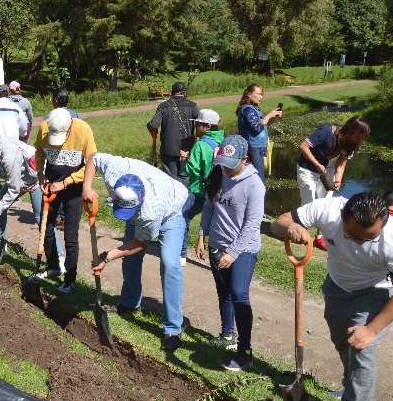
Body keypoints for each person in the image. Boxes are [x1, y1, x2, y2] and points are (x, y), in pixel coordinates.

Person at [271, 192, 393, 401]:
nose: (359, 243)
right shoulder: (327, 209)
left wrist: (371, 330)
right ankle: (352, 385)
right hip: (337, 287)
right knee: (341, 341)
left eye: (368, 238)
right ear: (342, 217)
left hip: (376, 290)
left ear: (383, 224)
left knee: (360, 346)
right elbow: (277, 222)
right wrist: (291, 226)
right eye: (352, 235)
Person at [83, 151, 189, 350]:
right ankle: (130, 303)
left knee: (169, 264)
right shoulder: (115, 170)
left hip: (174, 208)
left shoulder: (150, 211)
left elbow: (139, 244)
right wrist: (86, 187)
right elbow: (93, 158)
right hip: (144, 205)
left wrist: (106, 258)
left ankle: (173, 329)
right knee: (130, 259)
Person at [195, 135, 265, 369]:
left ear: (244, 159)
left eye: (230, 162)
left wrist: (233, 252)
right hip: (217, 244)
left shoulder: (254, 185)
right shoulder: (218, 173)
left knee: (239, 294)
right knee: (224, 293)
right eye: (222, 161)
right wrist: (201, 236)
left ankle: (245, 353)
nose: (225, 167)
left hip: (243, 248)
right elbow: (208, 206)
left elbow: (252, 224)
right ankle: (227, 335)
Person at [34, 108, 97, 293]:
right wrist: (40, 172)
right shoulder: (45, 127)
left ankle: (70, 278)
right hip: (51, 183)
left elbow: (92, 162)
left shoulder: (83, 130)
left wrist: (65, 183)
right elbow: (39, 150)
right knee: (45, 227)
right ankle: (53, 265)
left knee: (70, 235)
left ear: (69, 126)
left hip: (74, 188)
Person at [297, 116, 371, 250]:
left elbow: (341, 165)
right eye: (359, 136)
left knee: (325, 204)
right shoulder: (326, 132)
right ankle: (302, 233)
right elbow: (303, 146)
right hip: (307, 167)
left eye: (363, 137)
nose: (361, 140)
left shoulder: (352, 144)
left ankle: (319, 238)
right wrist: (317, 164)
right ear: (351, 130)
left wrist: (338, 180)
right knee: (308, 201)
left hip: (326, 172)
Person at [0, 132, 41, 254]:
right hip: (18, 179)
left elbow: (14, 189)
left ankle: (58, 257)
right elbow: (11, 179)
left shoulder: (9, 157)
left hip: (35, 179)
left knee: (41, 218)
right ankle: (1, 246)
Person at [181, 109, 224, 265]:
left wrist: (186, 158)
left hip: (199, 190)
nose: (196, 127)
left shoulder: (200, 145)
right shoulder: (223, 142)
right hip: (217, 190)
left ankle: (181, 253)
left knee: (182, 216)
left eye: (198, 124)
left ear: (206, 126)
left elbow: (191, 169)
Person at [147, 81, 199, 184]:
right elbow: (201, 124)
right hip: (187, 149)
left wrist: (149, 125)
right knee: (185, 177)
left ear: (172, 92)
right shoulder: (193, 106)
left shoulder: (163, 106)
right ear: (184, 92)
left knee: (170, 180)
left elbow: (153, 125)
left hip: (168, 149)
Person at [236, 84, 282, 181]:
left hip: (258, 147)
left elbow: (261, 125)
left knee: (258, 174)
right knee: (258, 177)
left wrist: (272, 116)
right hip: (254, 147)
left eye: (262, 94)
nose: (261, 97)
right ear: (249, 94)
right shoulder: (248, 109)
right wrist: (269, 116)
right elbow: (256, 128)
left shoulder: (252, 108)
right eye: (259, 94)